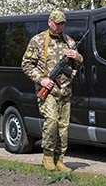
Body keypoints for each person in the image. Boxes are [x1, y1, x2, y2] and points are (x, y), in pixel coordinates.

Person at [21, 10, 82, 172]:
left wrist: (77, 57)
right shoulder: (38, 40)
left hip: (65, 91)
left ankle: (59, 159)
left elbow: (77, 66)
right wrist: (42, 80)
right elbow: (26, 64)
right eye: (57, 23)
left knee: (63, 126)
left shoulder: (69, 41)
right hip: (47, 91)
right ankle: (47, 155)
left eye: (62, 23)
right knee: (51, 121)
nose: (60, 26)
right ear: (50, 22)